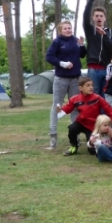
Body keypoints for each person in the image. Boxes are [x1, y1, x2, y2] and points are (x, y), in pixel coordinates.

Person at [45, 21, 87, 149]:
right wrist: (62, 63)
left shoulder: (75, 40)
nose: (68, 30)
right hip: (61, 79)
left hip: (75, 79)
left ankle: (75, 136)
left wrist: (82, 45)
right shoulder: (57, 42)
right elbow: (49, 57)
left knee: (75, 107)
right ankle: (53, 135)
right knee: (57, 106)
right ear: (60, 30)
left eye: (70, 28)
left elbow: (82, 55)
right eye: (65, 28)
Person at [57, 77, 112, 156]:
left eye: (92, 85)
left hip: (93, 126)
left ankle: (108, 147)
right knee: (72, 128)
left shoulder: (97, 98)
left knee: (92, 151)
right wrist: (60, 110)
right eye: (88, 85)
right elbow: (67, 108)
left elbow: (109, 110)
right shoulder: (75, 99)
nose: (91, 87)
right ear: (81, 88)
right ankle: (74, 146)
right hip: (81, 122)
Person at [83, 0, 112, 96]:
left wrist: (105, 36)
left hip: (106, 69)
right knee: (93, 95)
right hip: (93, 69)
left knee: (104, 96)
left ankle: (103, 110)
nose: (99, 18)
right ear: (93, 18)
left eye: (101, 16)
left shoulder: (110, 32)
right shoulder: (90, 30)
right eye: (96, 16)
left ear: (105, 18)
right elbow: (85, 17)